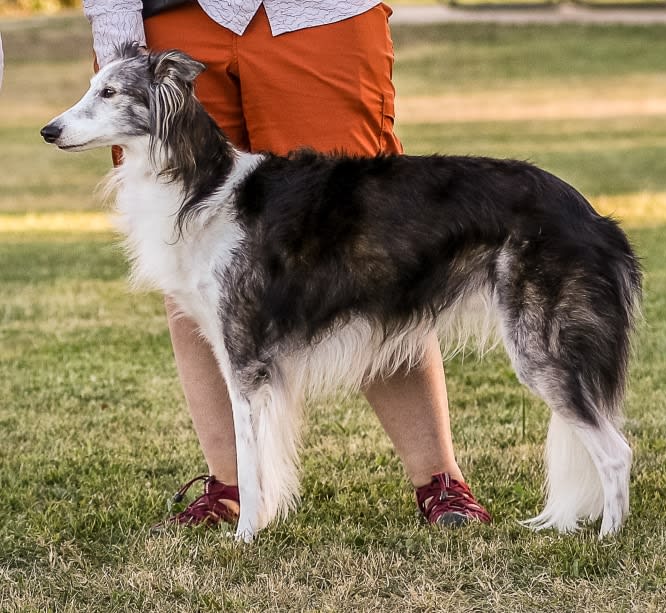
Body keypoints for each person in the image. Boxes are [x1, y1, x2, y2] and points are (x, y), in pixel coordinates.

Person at [83, 0, 491, 530]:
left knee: (365, 246)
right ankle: (233, 487)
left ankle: (439, 481)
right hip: (170, 17)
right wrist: (120, 43)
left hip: (317, 16)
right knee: (187, 246)